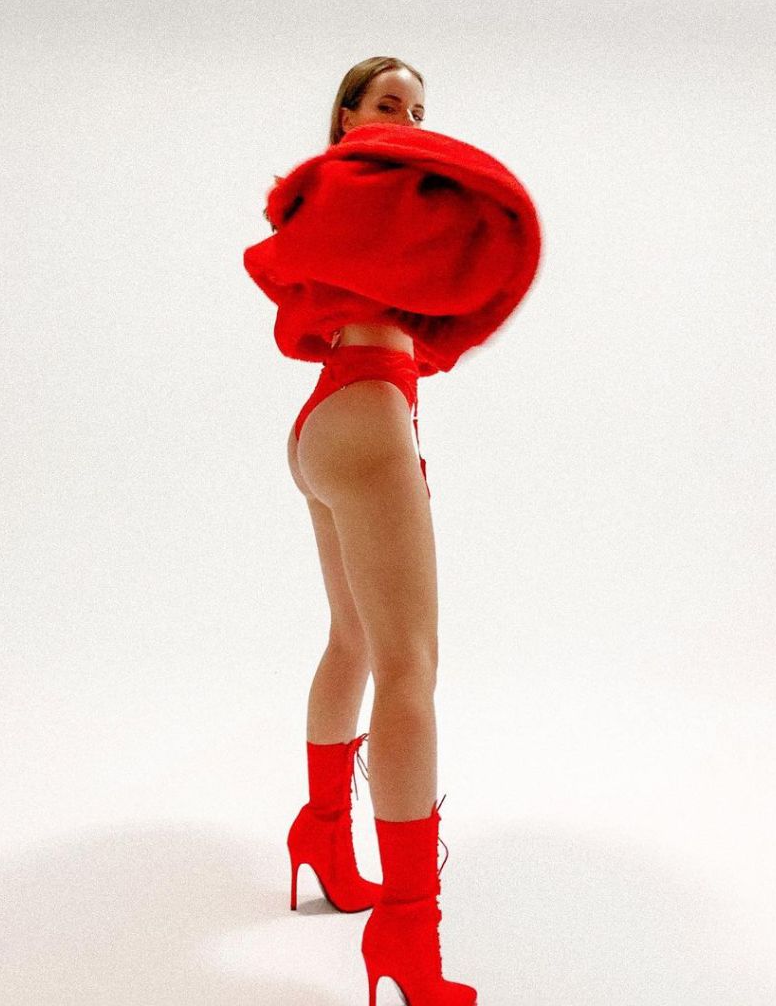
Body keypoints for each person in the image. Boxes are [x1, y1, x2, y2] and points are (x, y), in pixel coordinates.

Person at [244, 56, 542, 1005]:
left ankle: (323, 835)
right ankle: (408, 935)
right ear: (345, 115)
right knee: (411, 668)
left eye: (419, 109)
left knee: (356, 641)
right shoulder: (357, 190)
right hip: (367, 415)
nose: (408, 121)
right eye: (387, 104)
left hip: (332, 416)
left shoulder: (361, 208)